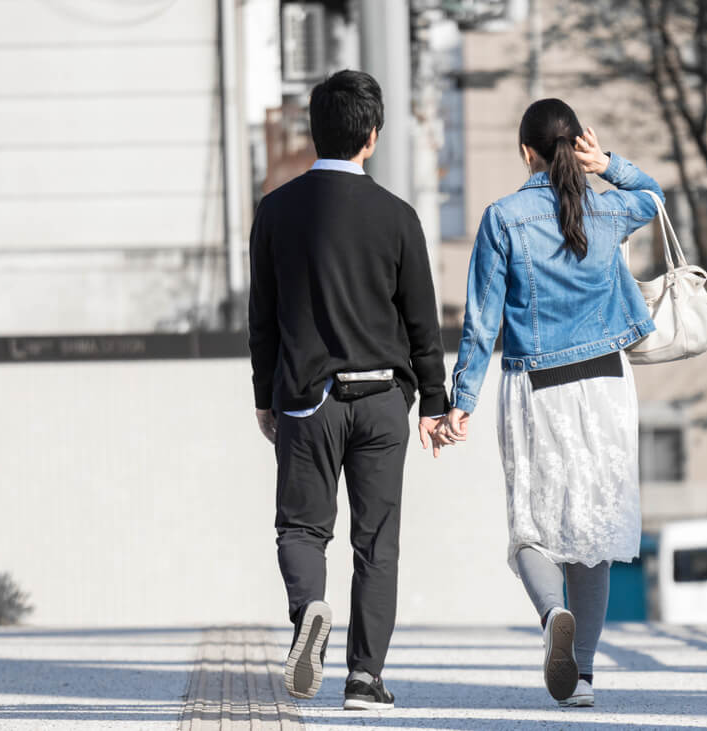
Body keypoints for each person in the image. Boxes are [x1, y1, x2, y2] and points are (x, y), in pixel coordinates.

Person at [435, 99, 663, 708]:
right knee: (594, 534)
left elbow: (481, 322)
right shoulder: (609, 206)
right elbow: (655, 197)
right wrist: (609, 164)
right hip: (608, 386)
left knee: (533, 526)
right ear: (575, 146)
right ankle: (582, 678)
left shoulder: (503, 217)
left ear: (525, 151)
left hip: (538, 385)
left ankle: (552, 614)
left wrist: (462, 401)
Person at [248, 70, 449, 711]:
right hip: (384, 398)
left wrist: (264, 395)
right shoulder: (398, 216)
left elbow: (263, 318)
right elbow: (423, 319)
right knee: (375, 544)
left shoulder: (276, 210)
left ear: (314, 132)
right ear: (372, 136)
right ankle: (365, 679)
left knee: (302, 530)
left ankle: (310, 610)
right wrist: (436, 403)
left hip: (308, 397)